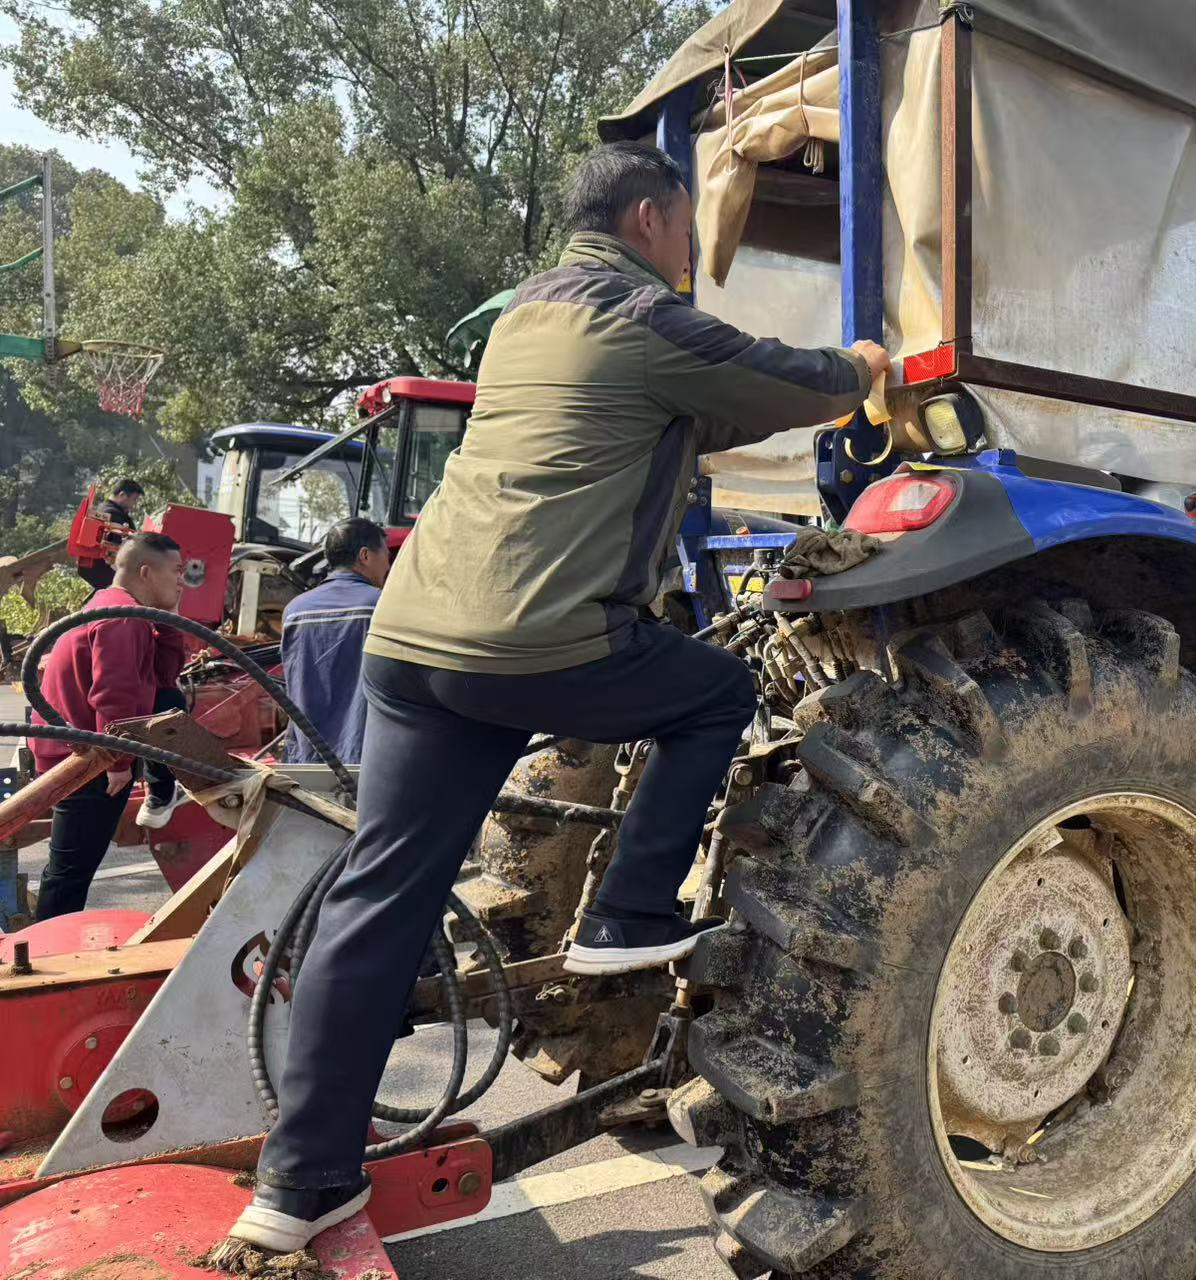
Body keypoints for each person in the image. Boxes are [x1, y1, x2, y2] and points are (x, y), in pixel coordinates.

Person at [224, 140, 887, 1254]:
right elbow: (787, 375)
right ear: (648, 217)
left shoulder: (526, 318)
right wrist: (862, 365)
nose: (690, 254)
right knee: (715, 692)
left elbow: (687, 415)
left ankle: (298, 1184)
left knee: (377, 901)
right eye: (686, 229)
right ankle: (629, 916)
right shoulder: (645, 319)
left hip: (414, 641)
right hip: (535, 639)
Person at [28, 532, 187, 918]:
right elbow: (113, 696)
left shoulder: (116, 607)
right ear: (146, 572)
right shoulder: (121, 618)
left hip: (87, 751)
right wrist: (116, 764)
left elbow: (163, 680)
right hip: (86, 761)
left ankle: (160, 793)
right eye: (177, 572)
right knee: (69, 875)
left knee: (69, 870)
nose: (183, 580)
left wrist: (166, 621)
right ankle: (48, 952)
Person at [280, 519, 390, 765]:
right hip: (365, 761)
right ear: (365, 556)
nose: (388, 564)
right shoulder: (384, 607)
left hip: (305, 760)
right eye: (385, 555)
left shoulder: (294, 611)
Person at [78, 479, 146, 591]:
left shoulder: (104, 509)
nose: (135, 504)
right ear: (122, 495)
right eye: (134, 499)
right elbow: (122, 545)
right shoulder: (112, 514)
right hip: (101, 568)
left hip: (95, 567)